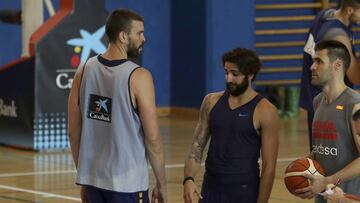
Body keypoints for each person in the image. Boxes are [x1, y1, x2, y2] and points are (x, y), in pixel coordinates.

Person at [67, 9, 167, 203]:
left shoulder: (83, 69)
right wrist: (161, 184)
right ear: (123, 36)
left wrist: (85, 177)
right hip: (128, 186)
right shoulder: (140, 77)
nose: (144, 38)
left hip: (94, 182)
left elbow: (73, 131)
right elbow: (153, 140)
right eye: (139, 33)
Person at [183, 48, 280, 203]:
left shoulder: (266, 111)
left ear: (250, 74)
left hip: (244, 192)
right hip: (210, 189)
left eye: (235, 74)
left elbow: (269, 168)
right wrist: (188, 179)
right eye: (226, 72)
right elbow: (197, 146)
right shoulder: (210, 102)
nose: (229, 79)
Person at [294, 40, 360, 203]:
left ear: (337, 65)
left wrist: (328, 180)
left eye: (319, 61)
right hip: (324, 196)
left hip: (348, 197)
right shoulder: (318, 101)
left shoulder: (355, 104)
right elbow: (322, 148)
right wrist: (303, 167)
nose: (312, 67)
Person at [300, 0, 360, 151]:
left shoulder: (325, 15)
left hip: (316, 96)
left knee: (321, 155)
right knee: (336, 157)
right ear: (350, 11)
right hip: (332, 102)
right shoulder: (338, 35)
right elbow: (355, 77)